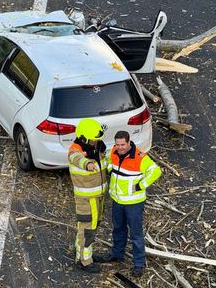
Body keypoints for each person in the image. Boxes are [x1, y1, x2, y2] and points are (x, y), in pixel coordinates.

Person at [97, 130, 162, 277]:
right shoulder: (114, 151)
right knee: (118, 229)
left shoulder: (139, 157)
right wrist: (107, 168)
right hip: (117, 200)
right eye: (117, 144)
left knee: (136, 234)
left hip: (134, 203)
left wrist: (140, 186)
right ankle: (117, 254)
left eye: (122, 144)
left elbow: (155, 171)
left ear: (128, 142)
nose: (119, 147)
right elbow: (110, 163)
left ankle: (138, 264)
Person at [68, 118, 108, 273]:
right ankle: (85, 261)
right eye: (93, 139)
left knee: (90, 228)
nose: (95, 142)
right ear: (84, 138)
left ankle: (84, 255)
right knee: (87, 230)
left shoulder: (97, 148)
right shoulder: (76, 150)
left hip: (98, 197)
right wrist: (87, 164)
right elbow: (75, 158)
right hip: (86, 200)